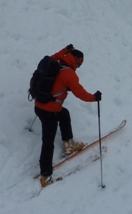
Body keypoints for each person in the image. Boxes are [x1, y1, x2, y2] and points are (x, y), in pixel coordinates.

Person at [34, 46, 101, 187]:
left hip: (39, 105)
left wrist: (65, 50)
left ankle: (68, 143)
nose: (79, 66)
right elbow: (80, 93)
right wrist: (94, 97)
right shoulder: (69, 74)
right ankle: (46, 176)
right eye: (79, 63)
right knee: (48, 142)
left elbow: (54, 55)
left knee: (64, 114)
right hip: (49, 111)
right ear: (75, 59)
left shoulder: (56, 63)